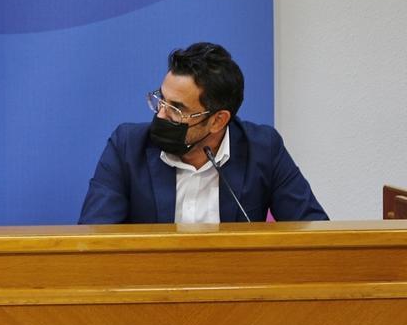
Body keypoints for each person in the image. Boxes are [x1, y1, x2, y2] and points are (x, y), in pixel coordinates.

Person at [79, 42, 327, 224]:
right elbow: (95, 239)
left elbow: (313, 233)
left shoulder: (263, 149)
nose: (161, 115)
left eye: (176, 109)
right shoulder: (127, 148)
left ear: (218, 120)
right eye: (161, 101)